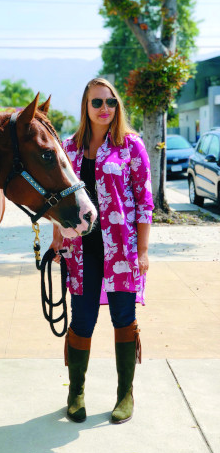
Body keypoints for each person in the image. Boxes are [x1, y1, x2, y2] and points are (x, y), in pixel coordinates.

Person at [50, 77, 154, 424]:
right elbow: (57, 199)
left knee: (124, 320)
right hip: (81, 252)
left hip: (122, 251)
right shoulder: (68, 148)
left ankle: (125, 394)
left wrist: (142, 251)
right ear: (86, 107)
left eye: (110, 102)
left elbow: (144, 203)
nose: (104, 109)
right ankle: (76, 391)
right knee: (82, 321)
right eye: (97, 103)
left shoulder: (130, 146)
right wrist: (56, 238)